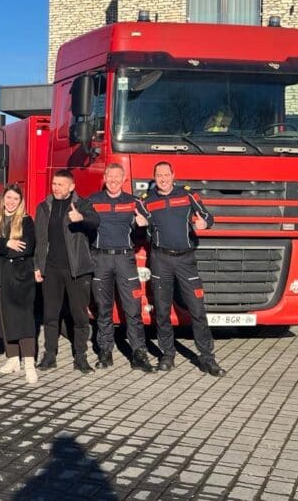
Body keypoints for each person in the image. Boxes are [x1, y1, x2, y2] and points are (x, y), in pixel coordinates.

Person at [136, 161, 226, 377]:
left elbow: (208, 217)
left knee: (197, 308)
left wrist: (206, 223)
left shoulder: (188, 195)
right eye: (159, 175)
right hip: (160, 260)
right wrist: (137, 223)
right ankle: (167, 355)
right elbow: (137, 225)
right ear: (154, 177)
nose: (163, 179)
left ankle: (207, 358)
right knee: (162, 309)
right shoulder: (145, 201)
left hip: (186, 261)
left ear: (173, 175)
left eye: (166, 175)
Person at [87, 163, 154, 372]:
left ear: (124, 179)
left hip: (126, 260)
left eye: (118, 177)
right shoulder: (93, 201)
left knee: (133, 309)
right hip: (101, 260)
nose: (114, 181)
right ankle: (105, 352)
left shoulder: (134, 202)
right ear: (105, 177)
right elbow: (81, 224)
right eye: (110, 176)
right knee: (103, 309)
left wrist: (145, 223)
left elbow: (153, 223)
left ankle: (138, 353)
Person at [34, 169, 100, 374]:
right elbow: (40, 239)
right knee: (50, 315)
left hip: (77, 269)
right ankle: (49, 356)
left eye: (60, 184)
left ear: (71, 187)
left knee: (79, 316)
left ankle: (80, 357)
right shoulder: (44, 207)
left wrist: (81, 217)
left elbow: (96, 222)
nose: (55, 187)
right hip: (51, 269)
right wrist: (38, 265)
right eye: (54, 184)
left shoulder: (83, 204)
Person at [0, 184, 38, 384]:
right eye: (9, 198)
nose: (11, 202)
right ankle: (13, 359)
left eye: (15, 199)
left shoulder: (27, 222)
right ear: (3, 199)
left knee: (23, 319)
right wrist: (6, 243)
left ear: (20, 202)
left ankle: (29, 363)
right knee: (5, 319)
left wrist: (0, 246)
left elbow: (27, 247)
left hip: (20, 278)